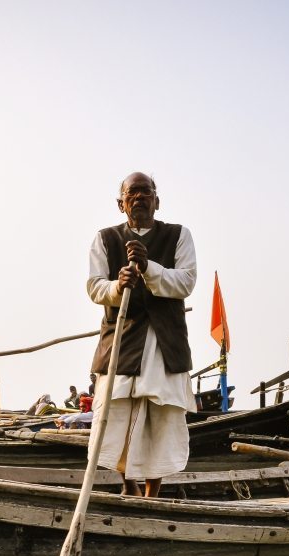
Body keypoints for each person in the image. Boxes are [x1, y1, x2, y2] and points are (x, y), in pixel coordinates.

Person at [87, 171, 197, 497]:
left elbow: (186, 282)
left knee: (160, 419)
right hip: (121, 342)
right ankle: (129, 488)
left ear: (157, 201)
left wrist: (149, 269)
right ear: (121, 203)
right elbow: (95, 287)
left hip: (165, 344)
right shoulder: (105, 239)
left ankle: (152, 495)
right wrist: (118, 285)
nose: (139, 198)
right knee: (116, 415)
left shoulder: (179, 236)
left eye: (145, 192)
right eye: (132, 193)